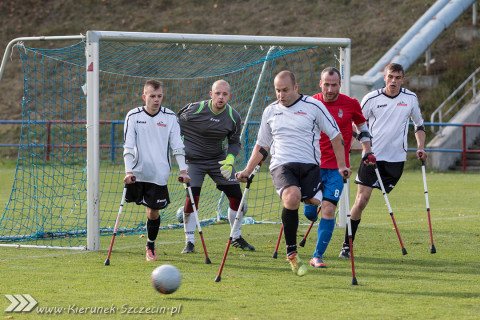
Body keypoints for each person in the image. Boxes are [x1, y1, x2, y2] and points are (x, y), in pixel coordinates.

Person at [236, 70, 352, 277]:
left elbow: (335, 136)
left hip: (310, 166)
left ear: (296, 88)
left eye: (285, 90)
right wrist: (247, 169)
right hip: (282, 165)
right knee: (291, 197)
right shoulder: (270, 111)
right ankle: (291, 253)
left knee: (315, 205)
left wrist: (342, 166)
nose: (281, 95)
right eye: (277, 91)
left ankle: (310, 205)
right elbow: (262, 145)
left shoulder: (314, 106)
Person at [339, 63, 427, 258]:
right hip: (372, 158)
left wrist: (420, 148)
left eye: (397, 77)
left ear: (403, 79)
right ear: (384, 78)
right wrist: (361, 149)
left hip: (396, 160)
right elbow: (356, 125)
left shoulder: (410, 98)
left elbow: (419, 125)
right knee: (362, 200)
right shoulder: (371, 98)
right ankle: (347, 245)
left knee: (379, 197)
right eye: (390, 77)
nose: (393, 81)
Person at [303, 67, 375, 268]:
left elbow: (361, 127)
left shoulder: (351, 104)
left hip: (338, 167)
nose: (330, 89)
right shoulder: (311, 103)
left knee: (328, 209)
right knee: (310, 211)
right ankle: (309, 206)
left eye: (334, 85)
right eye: (326, 84)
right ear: (320, 84)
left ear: (340, 84)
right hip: (312, 165)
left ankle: (317, 256)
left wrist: (367, 150)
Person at [177, 79, 255, 254]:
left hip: (219, 162)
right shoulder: (194, 109)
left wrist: (229, 160)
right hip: (194, 162)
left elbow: (235, 142)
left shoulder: (233, 116)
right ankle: (189, 242)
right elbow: (174, 126)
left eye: (224, 94)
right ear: (210, 94)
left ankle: (236, 236)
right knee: (192, 199)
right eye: (217, 93)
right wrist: (181, 148)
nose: (221, 97)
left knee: (237, 198)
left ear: (229, 96)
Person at [123, 79, 190, 262]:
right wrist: (128, 171)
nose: (156, 100)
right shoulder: (133, 116)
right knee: (144, 208)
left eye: (159, 96)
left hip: (159, 173)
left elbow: (177, 146)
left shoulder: (169, 117)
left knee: (153, 211)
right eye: (152, 96)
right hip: (137, 172)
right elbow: (128, 146)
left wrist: (183, 170)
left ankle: (150, 245)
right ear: (145, 96)